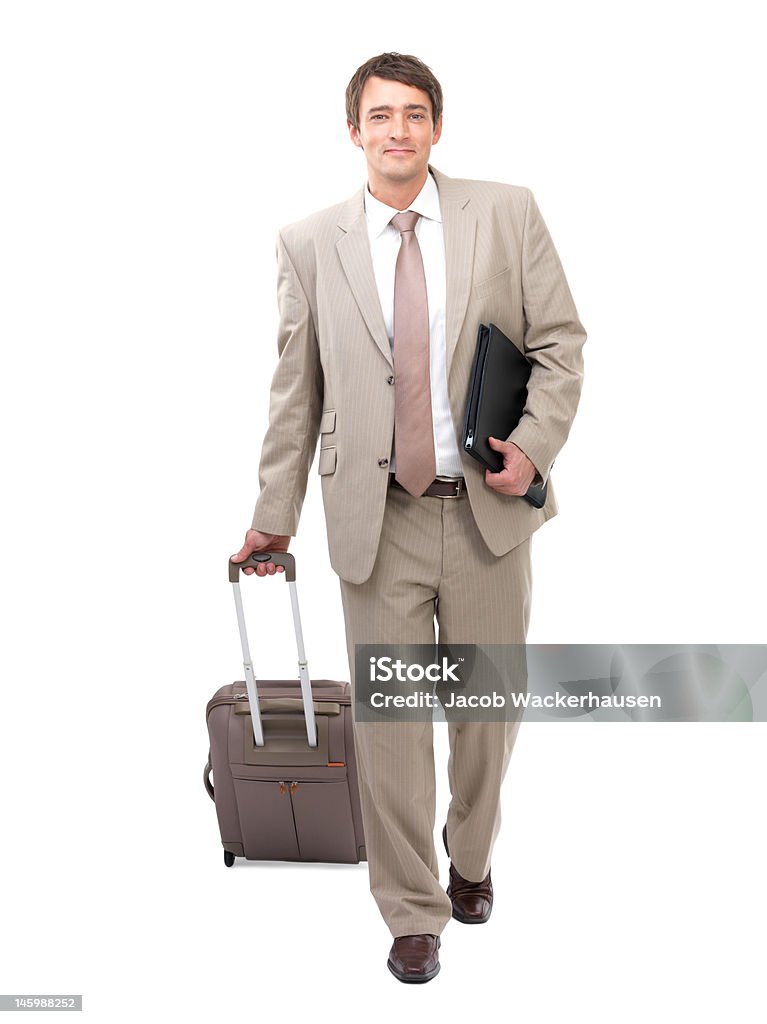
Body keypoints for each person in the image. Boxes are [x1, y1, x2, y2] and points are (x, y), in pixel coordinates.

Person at [232, 52, 586, 983]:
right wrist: (274, 516)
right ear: (354, 131)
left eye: (415, 114)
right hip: (374, 521)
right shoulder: (309, 241)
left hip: (485, 514)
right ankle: (410, 907)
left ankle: (470, 856)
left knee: (484, 714)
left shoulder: (504, 212)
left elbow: (559, 344)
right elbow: (293, 392)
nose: (399, 130)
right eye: (380, 116)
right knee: (391, 724)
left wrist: (534, 448)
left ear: (437, 127)